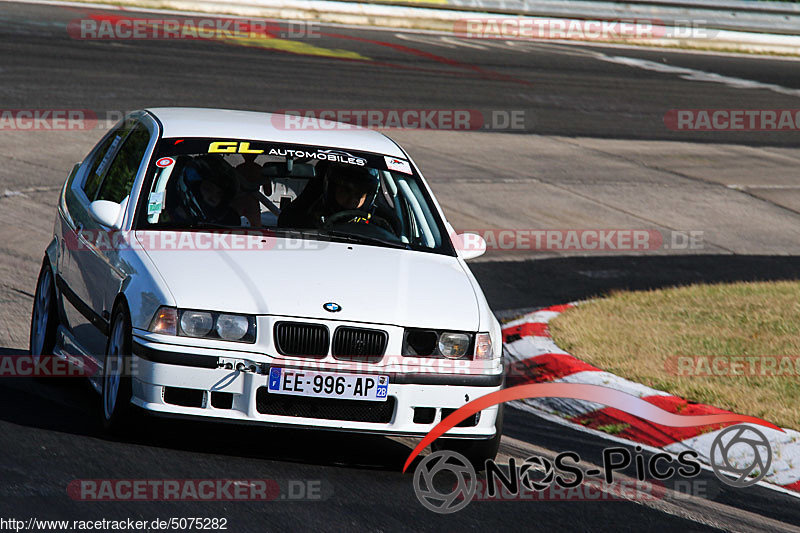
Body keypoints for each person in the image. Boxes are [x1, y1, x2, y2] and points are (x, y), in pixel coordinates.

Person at [278, 163, 381, 229]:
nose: (352, 199)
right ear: (332, 188)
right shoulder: (301, 217)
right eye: (346, 191)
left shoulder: (379, 224)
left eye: (359, 194)